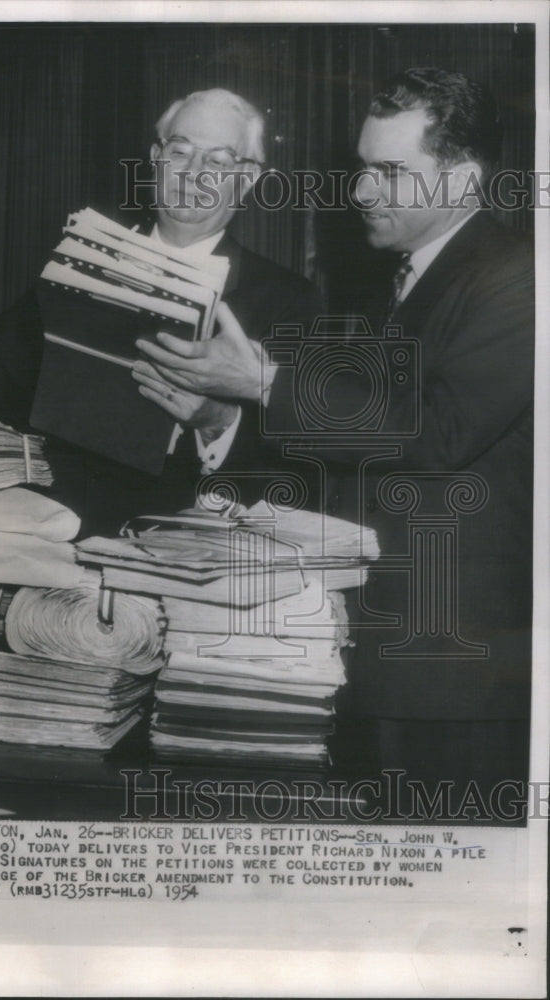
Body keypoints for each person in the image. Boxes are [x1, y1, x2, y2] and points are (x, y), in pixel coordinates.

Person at [139, 68, 534, 806]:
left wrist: (262, 383)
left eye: (390, 172)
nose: (360, 193)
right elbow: (366, 445)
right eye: (361, 169)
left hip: (453, 674)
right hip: (384, 658)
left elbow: (439, 432)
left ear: (463, 179)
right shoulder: (405, 278)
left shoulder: (518, 277)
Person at [0, 88, 320, 536]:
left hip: (170, 544)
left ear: (246, 181)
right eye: (180, 151)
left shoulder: (287, 300)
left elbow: (298, 468)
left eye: (218, 162)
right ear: (155, 158)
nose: (193, 173)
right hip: (44, 524)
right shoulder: (87, 262)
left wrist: (217, 422)